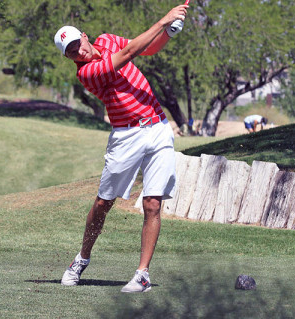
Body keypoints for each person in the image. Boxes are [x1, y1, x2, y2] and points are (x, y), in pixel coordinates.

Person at [53, 4, 188, 293]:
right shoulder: (87, 73)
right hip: (126, 136)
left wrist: (169, 32)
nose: (79, 52)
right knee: (104, 203)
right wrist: (164, 19)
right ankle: (81, 259)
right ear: (69, 58)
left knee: (152, 203)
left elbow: (148, 50)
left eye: (78, 44)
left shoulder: (108, 39)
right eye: (71, 52)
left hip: (159, 127)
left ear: (86, 37)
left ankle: (142, 275)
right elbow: (129, 54)